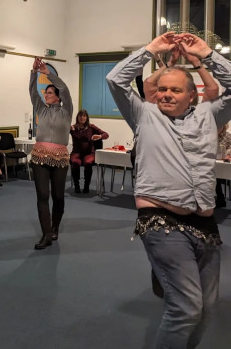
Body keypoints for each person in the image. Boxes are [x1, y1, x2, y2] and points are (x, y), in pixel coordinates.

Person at [106, 31, 231, 348]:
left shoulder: (209, 113)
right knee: (186, 307)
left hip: (205, 224)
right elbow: (114, 80)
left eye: (175, 89)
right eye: (162, 89)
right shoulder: (143, 115)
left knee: (205, 310)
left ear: (192, 95)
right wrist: (149, 50)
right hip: (162, 222)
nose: (166, 94)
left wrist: (207, 55)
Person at [29, 58, 73, 250]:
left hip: (60, 158)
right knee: (42, 195)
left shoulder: (67, 111)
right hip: (39, 157)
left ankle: (54, 228)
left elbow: (64, 88)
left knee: (58, 196)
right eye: (45, 93)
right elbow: (32, 92)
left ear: (58, 97)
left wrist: (48, 73)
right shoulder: (41, 109)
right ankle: (46, 234)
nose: (46, 96)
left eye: (49, 93)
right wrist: (33, 73)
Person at [70, 109, 109, 193]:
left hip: (89, 153)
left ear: (87, 117)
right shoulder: (73, 127)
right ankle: (76, 185)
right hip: (76, 152)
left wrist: (99, 136)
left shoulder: (91, 127)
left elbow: (106, 134)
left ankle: (86, 185)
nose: (82, 117)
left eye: (84, 116)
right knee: (75, 162)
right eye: (80, 115)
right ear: (77, 117)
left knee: (88, 162)